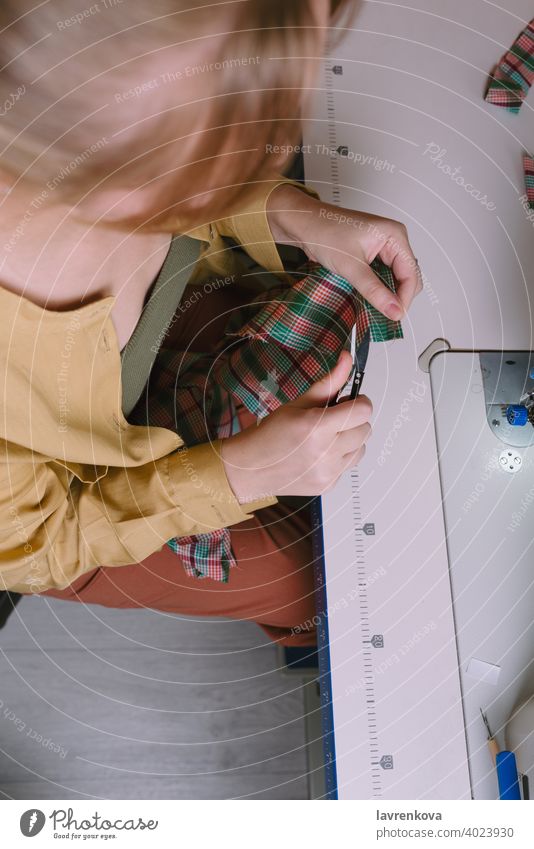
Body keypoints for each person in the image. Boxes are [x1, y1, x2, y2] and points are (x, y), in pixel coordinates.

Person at [0, 0, 421, 646]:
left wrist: (285, 213)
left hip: (156, 343)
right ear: (135, 190)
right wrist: (239, 476)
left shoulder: (85, 119)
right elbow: (39, 545)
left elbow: (176, 154)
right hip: (71, 518)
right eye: (230, 167)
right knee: (331, 583)